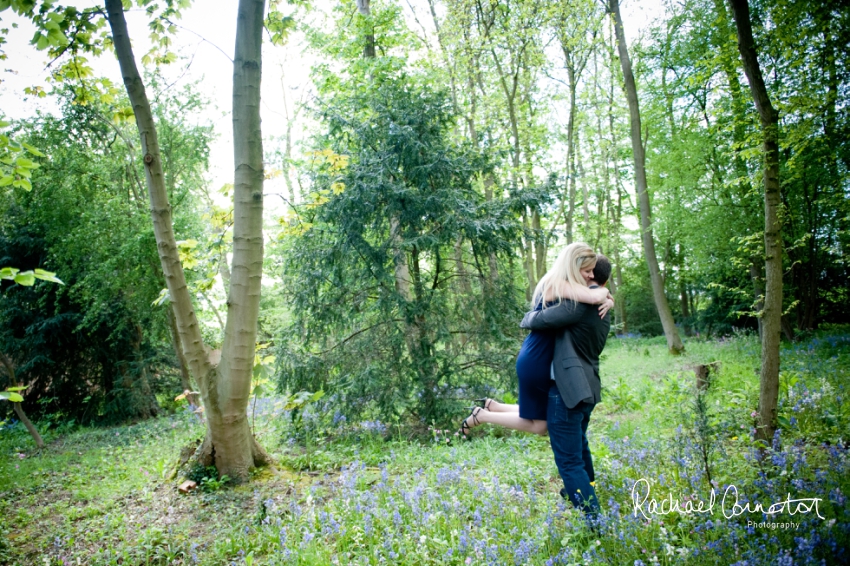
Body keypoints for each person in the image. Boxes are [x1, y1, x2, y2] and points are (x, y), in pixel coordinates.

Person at [460, 243, 612, 437]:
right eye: (587, 271)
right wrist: (606, 296)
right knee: (541, 426)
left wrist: (609, 300)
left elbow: (595, 293)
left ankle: (492, 406)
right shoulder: (560, 285)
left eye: (592, 271)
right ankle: (482, 416)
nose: (591, 276)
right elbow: (593, 295)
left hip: (540, 353)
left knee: (542, 416)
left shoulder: (566, 284)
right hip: (538, 355)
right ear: (573, 267)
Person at [519, 254, 613, 519]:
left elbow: (540, 320)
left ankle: (593, 520)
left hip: (567, 391)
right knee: (580, 448)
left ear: (591, 274)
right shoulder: (601, 305)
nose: (580, 273)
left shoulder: (577, 305)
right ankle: (584, 491)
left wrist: (527, 317)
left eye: (585, 269)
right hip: (588, 388)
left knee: (569, 462)